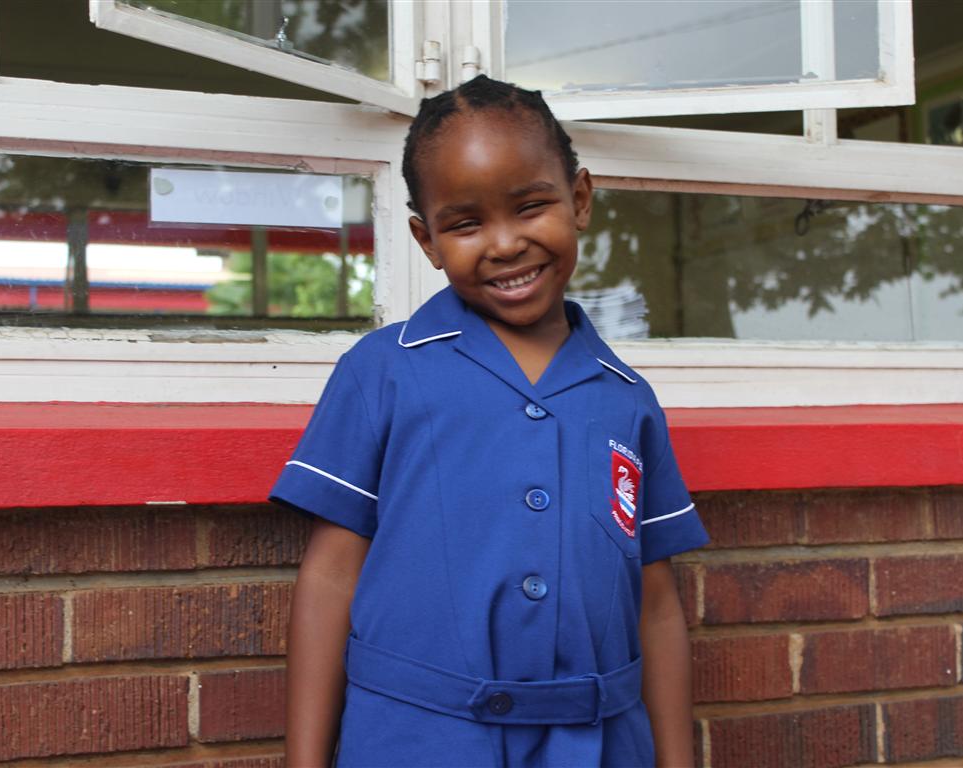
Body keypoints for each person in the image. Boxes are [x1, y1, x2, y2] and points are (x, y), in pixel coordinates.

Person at [271, 75, 709, 768]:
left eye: (531, 206)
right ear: (427, 239)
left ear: (580, 199)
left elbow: (655, 604)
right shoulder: (382, 372)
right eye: (466, 224)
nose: (505, 244)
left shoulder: (627, 399)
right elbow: (330, 578)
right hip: (416, 743)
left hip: (598, 745)